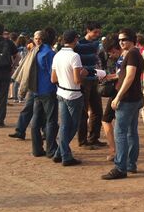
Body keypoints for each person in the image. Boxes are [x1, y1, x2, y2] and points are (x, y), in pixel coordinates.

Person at [101, 28, 144, 180]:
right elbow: (124, 75)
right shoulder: (134, 53)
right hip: (134, 98)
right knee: (131, 132)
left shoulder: (132, 54)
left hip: (127, 99)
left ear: (132, 40)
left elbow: (130, 76)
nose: (121, 42)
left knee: (121, 132)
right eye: (120, 40)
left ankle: (121, 167)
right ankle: (130, 164)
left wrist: (118, 97)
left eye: (124, 39)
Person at [51, 30, 88, 166]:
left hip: (61, 92)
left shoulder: (57, 55)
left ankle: (59, 153)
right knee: (72, 126)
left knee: (65, 125)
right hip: (73, 94)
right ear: (75, 40)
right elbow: (77, 79)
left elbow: (53, 78)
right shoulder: (75, 56)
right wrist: (83, 73)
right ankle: (64, 155)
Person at [8, 31, 45, 140]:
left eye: (40, 38)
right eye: (36, 38)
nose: (38, 40)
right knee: (28, 109)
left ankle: (46, 132)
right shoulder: (32, 51)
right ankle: (20, 131)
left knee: (43, 111)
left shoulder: (45, 51)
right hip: (33, 85)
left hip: (42, 86)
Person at [76, 21, 106, 148]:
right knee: (83, 111)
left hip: (94, 78)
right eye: (95, 32)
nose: (97, 34)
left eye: (99, 32)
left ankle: (94, 138)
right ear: (88, 30)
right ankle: (83, 141)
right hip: (83, 81)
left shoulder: (97, 44)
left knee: (97, 110)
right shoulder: (78, 45)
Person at [30, 28, 59, 159]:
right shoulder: (49, 53)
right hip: (48, 89)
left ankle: (37, 148)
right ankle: (51, 149)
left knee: (36, 119)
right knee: (51, 120)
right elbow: (52, 73)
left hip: (37, 89)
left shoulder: (37, 51)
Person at [100, 37, 122, 161]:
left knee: (107, 119)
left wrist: (107, 77)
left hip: (118, 93)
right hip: (124, 94)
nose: (110, 55)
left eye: (111, 52)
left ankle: (114, 151)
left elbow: (121, 75)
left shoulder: (122, 58)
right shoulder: (128, 56)